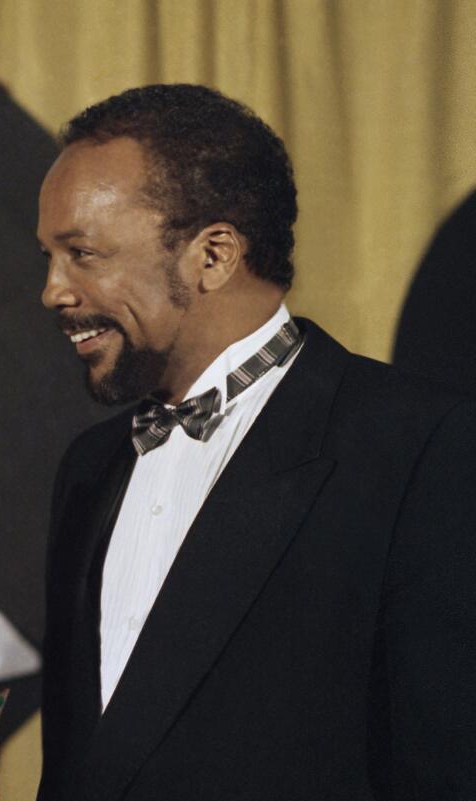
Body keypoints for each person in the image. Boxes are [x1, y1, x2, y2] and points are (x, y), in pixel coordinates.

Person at [36, 84, 476, 800]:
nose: (53, 290)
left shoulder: (421, 446)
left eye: (83, 253)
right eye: (50, 257)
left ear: (212, 255)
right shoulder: (89, 468)